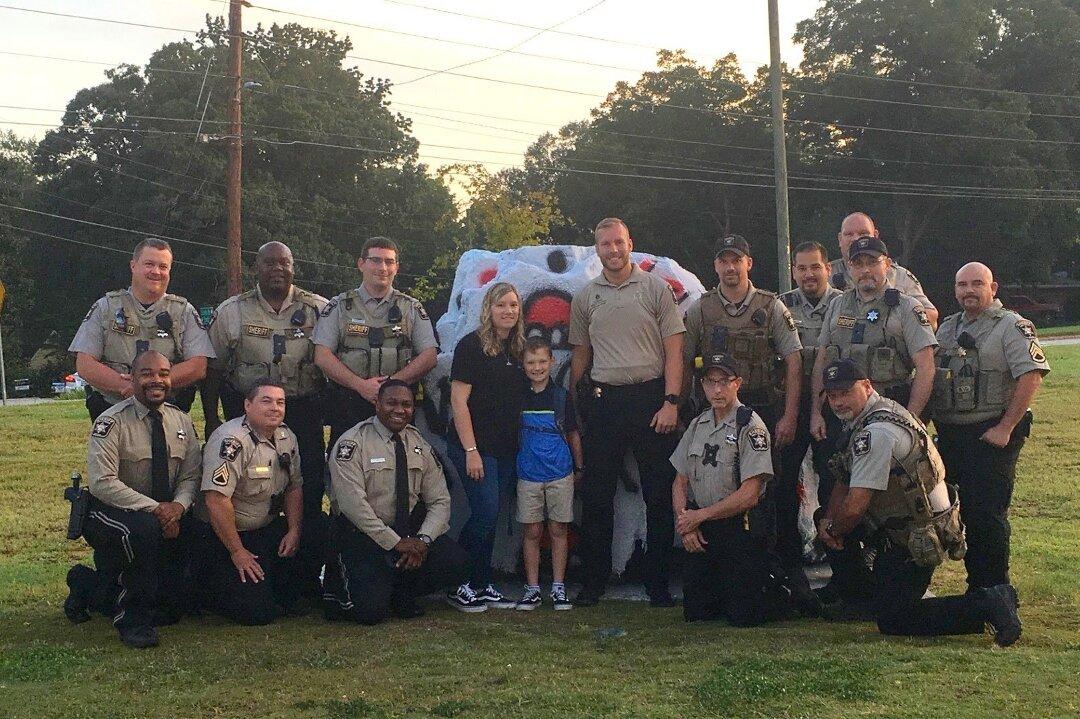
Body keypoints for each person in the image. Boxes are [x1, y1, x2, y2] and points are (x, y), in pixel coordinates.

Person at [815, 359, 1022, 646]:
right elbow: (844, 476)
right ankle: (862, 600)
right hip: (905, 523)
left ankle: (988, 603)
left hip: (916, 535)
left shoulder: (876, 434)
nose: (838, 402)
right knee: (824, 516)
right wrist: (829, 519)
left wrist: (832, 531)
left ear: (867, 386)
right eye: (832, 395)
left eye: (845, 393)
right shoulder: (877, 411)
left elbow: (855, 507)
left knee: (896, 619)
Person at [682, 234, 810, 608]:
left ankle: (782, 568)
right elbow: (684, 360)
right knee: (715, 485)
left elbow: (794, 361)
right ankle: (720, 567)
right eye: (723, 261)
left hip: (763, 410)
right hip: (716, 411)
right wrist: (683, 407)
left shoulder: (770, 307)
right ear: (716, 266)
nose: (730, 267)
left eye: (736, 260)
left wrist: (789, 416)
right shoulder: (701, 309)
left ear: (748, 264)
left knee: (773, 494)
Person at [569, 217, 685, 608]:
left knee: (658, 494)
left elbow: (674, 351)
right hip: (605, 402)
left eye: (619, 242)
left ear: (630, 244)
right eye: (605, 244)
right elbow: (580, 355)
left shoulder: (655, 289)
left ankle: (658, 584)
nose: (613, 250)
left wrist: (671, 402)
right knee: (597, 496)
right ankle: (593, 582)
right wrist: (574, 407)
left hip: (651, 401)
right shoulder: (586, 297)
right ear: (597, 249)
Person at [202, 241, 328, 593]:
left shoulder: (318, 309)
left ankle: (304, 576)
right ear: (255, 268)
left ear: (293, 267)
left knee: (307, 488)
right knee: (246, 489)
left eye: (284, 263)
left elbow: (331, 362)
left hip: (301, 410)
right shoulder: (233, 311)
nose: (277, 269)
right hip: (248, 411)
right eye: (269, 263)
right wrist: (211, 419)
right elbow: (213, 370)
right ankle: (239, 559)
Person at [63, 351, 200, 649]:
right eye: (147, 373)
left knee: (169, 610)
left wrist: (178, 507)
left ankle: (86, 584)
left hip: (165, 511)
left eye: (163, 374)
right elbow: (103, 483)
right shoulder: (111, 422)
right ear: (132, 378)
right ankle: (132, 620)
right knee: (143, 531)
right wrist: (157, 509)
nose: (156, 380)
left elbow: (191, 476)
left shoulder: (181, 421)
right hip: (112, 512)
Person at [932, 262, 1049, 593]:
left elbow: (1031, 375)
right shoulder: (947, 329)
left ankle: (993, 591)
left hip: (991, 434)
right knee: (945, 511)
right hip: (951, 434)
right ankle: (974, 591)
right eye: (962, 285)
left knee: (985, 516)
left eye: (977, 284)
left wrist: (1006, 427)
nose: (969, 290)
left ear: (993, 288)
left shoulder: (1011, 326)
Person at [323, 380, 469, 624]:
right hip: (364, 536)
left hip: (408, 534)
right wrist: (395, 542)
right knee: (370, 613)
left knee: (457, 562)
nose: (399, 410)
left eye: (406, 404)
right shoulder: (353, 443)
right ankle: (343, 588)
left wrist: (423, 541)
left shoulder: (418, 443)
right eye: (391, 403)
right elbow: (353, 507)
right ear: (377, 404)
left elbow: (440, 500)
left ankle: (401, 592)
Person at [672, 354, 797, 626]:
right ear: (702, 385)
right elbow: (679, 481)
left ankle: (781, 594)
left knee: (744, 616)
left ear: (737, 383)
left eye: (724, 382)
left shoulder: (750, 426)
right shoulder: (697, 425)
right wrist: (686, 525)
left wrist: (699, 516)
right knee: (697, 613)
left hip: (740, 528)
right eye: (710, 382)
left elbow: (750, 494)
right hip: (703, 529)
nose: (717, 390)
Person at [445, 282, 527, 612]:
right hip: (474, 448)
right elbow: (458, 401)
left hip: (505, 448)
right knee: (485, 513)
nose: (508, 311)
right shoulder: (471, 346)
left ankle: (481, 582)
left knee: (490, 517)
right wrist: (471, 451)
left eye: (513, 305)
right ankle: (459, 582)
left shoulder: (518, 348)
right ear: (488, 309)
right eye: (501, 305)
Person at [195, 379, 305, 625]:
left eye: (280, 402)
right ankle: (206, 590)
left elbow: (294, 487)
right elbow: (216, 500)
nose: (275, 408)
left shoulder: (286, 436)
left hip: (265, 528)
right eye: (266, 401)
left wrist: (294, 530)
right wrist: (237, 552)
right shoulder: (231, 441)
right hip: (227, 537)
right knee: (256, 613)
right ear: (247, 405)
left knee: (292, 597)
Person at [313, 236, 438, 448]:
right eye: (376, 260)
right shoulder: (340, 306)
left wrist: (391, 386)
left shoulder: (410, 308)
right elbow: (322, 355)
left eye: (389, 262)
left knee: (397, 463)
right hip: (349, 405)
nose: (383, 268)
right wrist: (360, 386)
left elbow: (429, 356)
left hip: (396, 408)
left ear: (397, 267)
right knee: (345, 462)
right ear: (361, 263)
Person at [69, 238, 214, 420]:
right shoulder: (106, 308)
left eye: (163, 266)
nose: (156, 271)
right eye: (149, 264)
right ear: (133, 265)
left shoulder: (183, 311)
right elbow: (85, 364)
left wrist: (150, 385)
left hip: (168, 414)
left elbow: (198, 366)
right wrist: (127, 387)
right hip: (113, 412)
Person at [514, 337, 584, 611]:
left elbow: (573, 433)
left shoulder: (561, 397)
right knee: (531, 531)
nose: (537, 367)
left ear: (552, 362)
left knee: (558, 529)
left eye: (542, 361)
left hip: (560, 473)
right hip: (528, 473)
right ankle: (532, 588)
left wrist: (579, 467)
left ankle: (558, 586)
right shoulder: (519, 396)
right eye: (531, 362)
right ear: (523, 365)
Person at [778, 241, 843, 518]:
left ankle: (832, 535)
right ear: (793, 272)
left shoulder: (844, 305)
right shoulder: (781, 305)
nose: (809, 274)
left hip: (832, 404)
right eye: (802, 268)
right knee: (784, 477)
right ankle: (788, 545)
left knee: (832, 474)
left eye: (815, 267)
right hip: (790, 402)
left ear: (828, 269)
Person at [831, 212, 938, 328]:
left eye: (863, 233)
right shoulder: (826, 274)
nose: (856, 239)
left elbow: (931, 317)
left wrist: (891, 322)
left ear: (875, 236)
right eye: (849, 234)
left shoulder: (900, 276)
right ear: (840, 239)